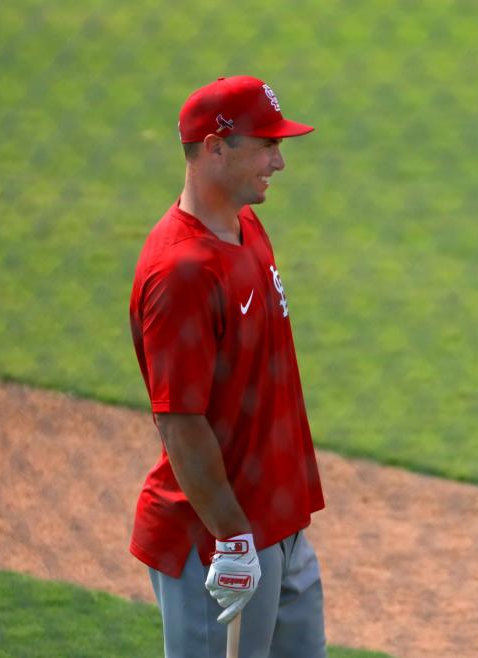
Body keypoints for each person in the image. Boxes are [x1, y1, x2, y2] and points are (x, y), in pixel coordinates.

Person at [128, 75, 326, 658]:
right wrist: (232, 537)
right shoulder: (182, 271)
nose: (279, 161)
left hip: (281, 524)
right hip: (216, 537)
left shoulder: (248, 228)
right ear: (215, 146)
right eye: (266, 144)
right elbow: (180, 420)